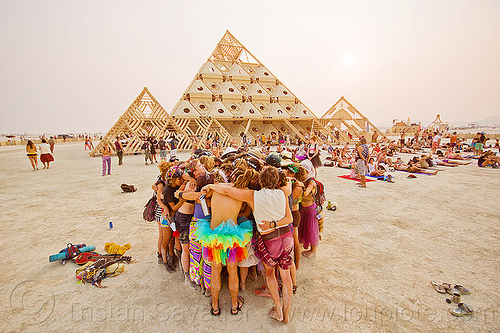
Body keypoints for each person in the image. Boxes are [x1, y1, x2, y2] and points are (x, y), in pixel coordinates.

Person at [202, 166, 293, 322]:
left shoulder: (249, 194)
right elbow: (289, 214)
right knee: (284, 277)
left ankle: (216, 306)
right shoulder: (281, 193)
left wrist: (210, 186)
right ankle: (283, 311)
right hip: (281, 237)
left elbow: (227, 191)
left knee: (217, 270)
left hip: (224, 237)